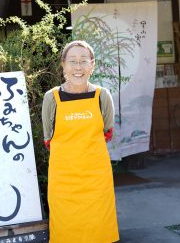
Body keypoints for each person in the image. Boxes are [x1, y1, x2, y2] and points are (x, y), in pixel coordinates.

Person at [41, 40, 119, 243]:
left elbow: (107, 133)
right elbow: (48, 138)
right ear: (63, 65)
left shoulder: (103, 97)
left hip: (97, 181)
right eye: (72, 61)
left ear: (92, 64)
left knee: (99, 230)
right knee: (66, 232)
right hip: (63, 182)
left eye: (83, 61)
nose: (78, 67)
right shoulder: (52, 98)